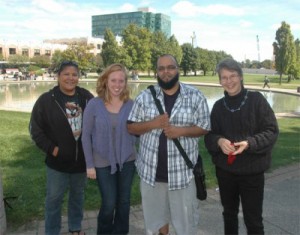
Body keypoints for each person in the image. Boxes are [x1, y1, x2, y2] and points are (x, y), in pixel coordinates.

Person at [127, 54, 211, 235]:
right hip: (151, 175)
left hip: (183, 175)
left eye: (170, 67)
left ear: (177, 69)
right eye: (161, 68)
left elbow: (205, 127)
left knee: (186, 225)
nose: (166, 72)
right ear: (156, 72)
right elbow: (131, 127)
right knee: (156, 222)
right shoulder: (144, 97)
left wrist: (181, 131)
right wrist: (153, 123)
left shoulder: (195, 96)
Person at [204, 58, 279, 235]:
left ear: (241, 76)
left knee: (253, 220)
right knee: (229, 215)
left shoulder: (256, 100)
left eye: (232, 76)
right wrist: (218, 141)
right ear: (220, 80)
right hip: (226, 172)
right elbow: (209, 136)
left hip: (252, 172)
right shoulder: (218, 107)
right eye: (224, 77)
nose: (228, 81)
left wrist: (249, 143)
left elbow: (271, 131)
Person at [29, 60, 94, 235]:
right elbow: (35, 129)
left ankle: (75, 228)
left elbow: (97, 122)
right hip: (57, 163)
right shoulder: (46, 100)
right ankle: (52, 231)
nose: (70, 78)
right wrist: (53, 149)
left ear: (78, 78)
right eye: (66, 74)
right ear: (58, 76)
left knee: (77, 197)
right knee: (53, 200)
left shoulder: (87, 97)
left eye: (74, 75)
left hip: (81, 162)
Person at [82, 63, 136, 235]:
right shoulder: (94, 104)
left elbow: (138, 131)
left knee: (124, 202)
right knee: (109, 203)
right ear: (105, 80)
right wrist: (89, 165)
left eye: (121, 81)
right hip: (102, 162)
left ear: (125, 83)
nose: (117, 85)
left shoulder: (131, 105)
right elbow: (85, 135)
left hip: (127, 161)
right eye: (113, 80)